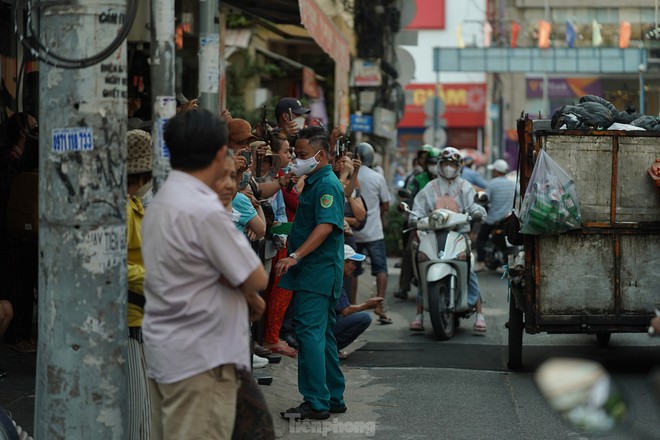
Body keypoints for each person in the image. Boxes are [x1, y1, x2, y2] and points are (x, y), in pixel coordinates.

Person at [141, 109, 269, 439]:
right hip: (202, 359)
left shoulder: (163, 199)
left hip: (168, 349)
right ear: (218, 152)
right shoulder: (203, 207)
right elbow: (256, 276)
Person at [275, 126, 346, 421]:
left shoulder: (327, 185)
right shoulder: (315, 181)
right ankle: (333, 396)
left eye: (302, 155)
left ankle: (316, 401)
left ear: (321, 154)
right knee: (323, 334)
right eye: (295, 154)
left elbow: (325, 226)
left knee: (309, 334)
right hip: (318, 272)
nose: (296, 159)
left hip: (317, 272)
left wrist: (295, 255)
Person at [409, 147, 488, 333]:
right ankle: (419, 315)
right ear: (439, 165)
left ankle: (480, 314)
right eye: (445, 163)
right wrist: (414, 217)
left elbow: (473, 205)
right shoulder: (430, 187)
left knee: (469, 268)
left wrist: (477, 212)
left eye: (452, 164)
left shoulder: (465, 186)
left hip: (459, 234)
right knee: (421, 268)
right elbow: (418, 206)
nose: (448, 167)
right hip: (432, 233)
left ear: (459, 166)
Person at [125, 129, 153, 440]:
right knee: (135, 412)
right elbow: (112, 264)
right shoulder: (123, 209)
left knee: (145, 408)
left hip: (143, 316)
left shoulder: (136, 204)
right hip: (129, 318)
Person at [351, 142, 392, 322]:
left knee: (352, 270)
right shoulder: (377, 178)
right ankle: (380, 306)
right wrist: (378, 217)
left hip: (353, 231)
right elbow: (386, 204)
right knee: (381, 269)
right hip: (374, 232)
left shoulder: (350, 176)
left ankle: (351, 304)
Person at [394, 147, 440, 300]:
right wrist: (405, 203)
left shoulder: (447, 181)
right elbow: (410, 194)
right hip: (423, 223)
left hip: (444, 223)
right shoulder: (418, 179)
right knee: (410, 250)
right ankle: (403, 286)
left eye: (437, 163)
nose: (434, 166)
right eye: (431, 162)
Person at [335, 245, 382, 359]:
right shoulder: (335, 279)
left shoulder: (337, 277)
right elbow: (345, 310)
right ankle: (331, 348)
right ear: (343, 262)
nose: (355, 267)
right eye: (352, 263)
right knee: (364, 318)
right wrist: (366, 305)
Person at [475, 159, 517, 273]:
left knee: (481, 238)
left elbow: (486, 199)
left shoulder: (492, 183)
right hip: (509, 218)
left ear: (496, 171)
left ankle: (481, 262)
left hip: (494, 219)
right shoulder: (513, 184)